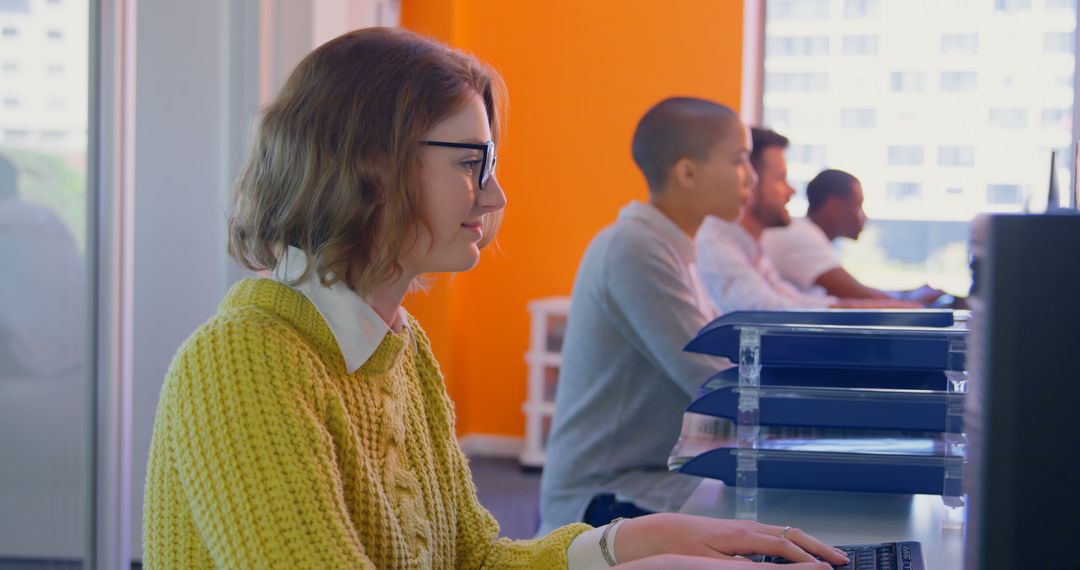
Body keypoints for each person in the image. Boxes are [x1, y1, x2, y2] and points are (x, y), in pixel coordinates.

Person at [142, 30, 845, 569]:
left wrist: (635, 543)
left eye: (492, 164)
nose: (495, 195)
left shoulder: (400, 345)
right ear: (368, 163)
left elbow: (473, 558)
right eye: (470, 162)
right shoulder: (243, 361)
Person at [540, 99, 841, 565]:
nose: (752, 178)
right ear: (687, 173)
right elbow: (715, 386)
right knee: (781, 533)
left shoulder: (677, 249)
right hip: (603, 499)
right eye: (739, 160)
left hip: (658, 481)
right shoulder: (635, 248)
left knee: (794, 522)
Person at [696, 128, 918, 313]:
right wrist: (902, 308)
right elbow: (766, 311)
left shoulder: (750, 246)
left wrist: (899, 306)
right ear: (749, 183)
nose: (791, 191)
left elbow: (791, 301)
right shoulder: (715, 243)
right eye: (781, 179)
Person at [761, 168, 944, 304]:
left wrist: (908, 294)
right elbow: (861, 296)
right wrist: (914, 300)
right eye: (858, 205)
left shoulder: (809, 234)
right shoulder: (801, 236)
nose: (864, 216)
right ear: (834, 207)